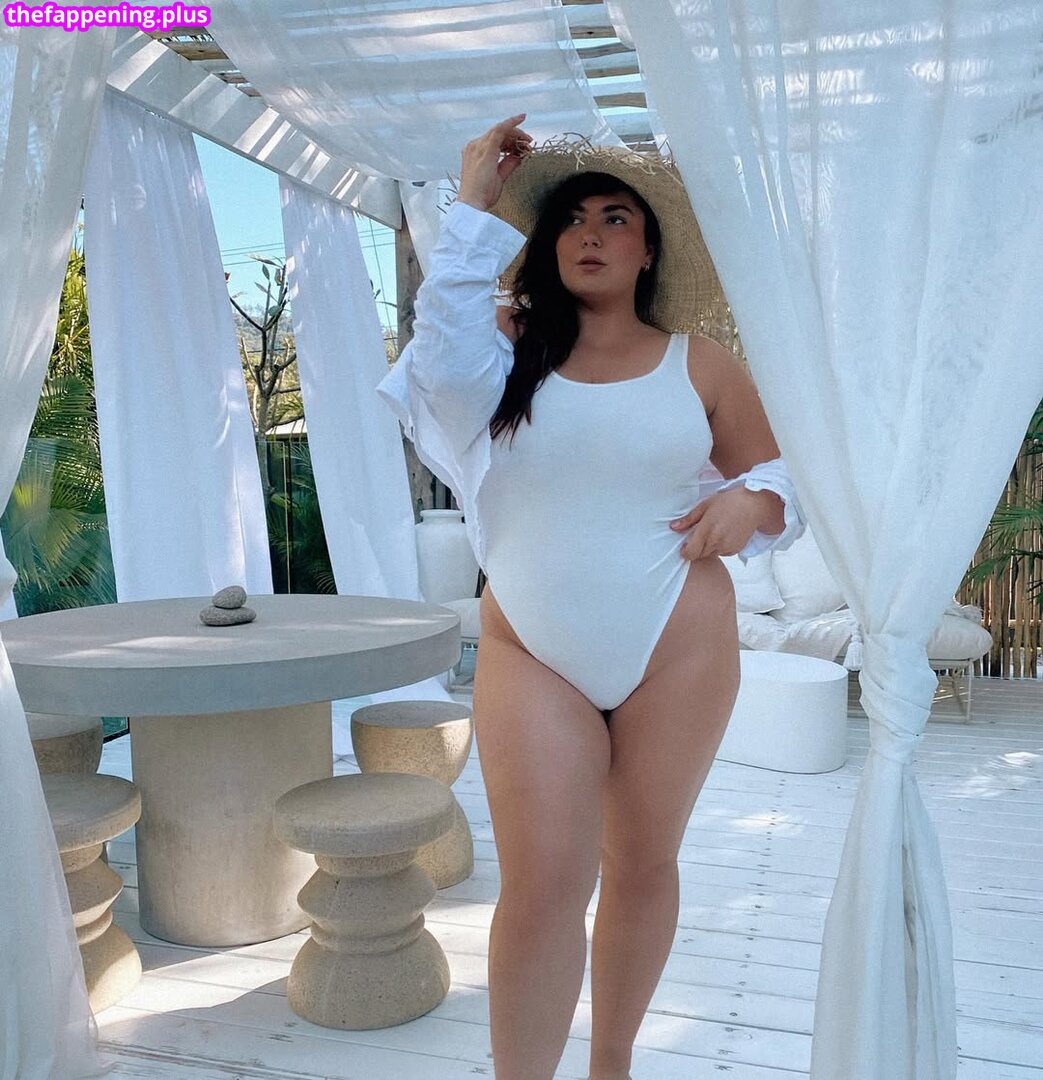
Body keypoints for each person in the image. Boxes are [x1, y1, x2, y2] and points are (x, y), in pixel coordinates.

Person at [377, 114, 804, 1080]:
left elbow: (782, 478)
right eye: (571, 219)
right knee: (540, 888)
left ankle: (611, 1063)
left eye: (616, 218)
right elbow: (435, 370)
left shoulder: (701, 361)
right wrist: (474, 201)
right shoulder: (498, 347)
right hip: (533, 649)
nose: (591, 234)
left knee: (643, 865)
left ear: (648, 249)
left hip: (676, 645)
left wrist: (750, 502)